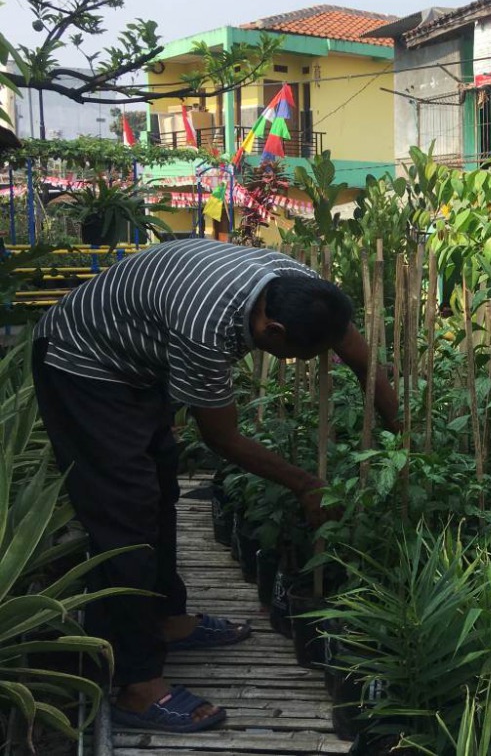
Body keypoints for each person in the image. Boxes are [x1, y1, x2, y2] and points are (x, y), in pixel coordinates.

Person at [31, 237, 399, 733]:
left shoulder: (301, 290)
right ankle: (138, 687)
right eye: (298, 357)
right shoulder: (207, 329)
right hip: (83, 364)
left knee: (159, 490)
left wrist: (402, 431)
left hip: (135, 359)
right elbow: (221, 438)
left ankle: (165, 618)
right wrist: (307, 485)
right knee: (124, 519)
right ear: (274, 330)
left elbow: (360, 356)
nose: (302, 366)